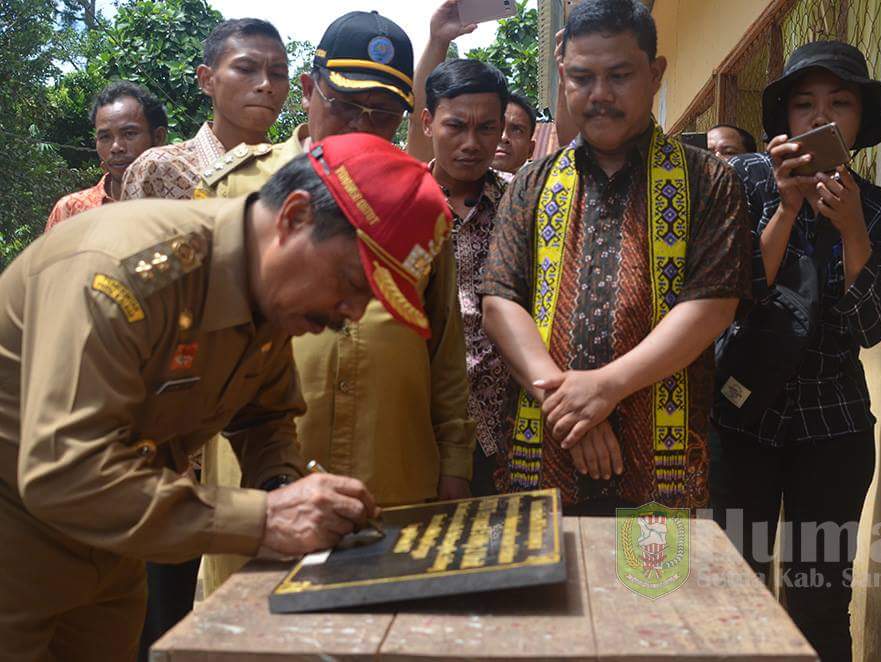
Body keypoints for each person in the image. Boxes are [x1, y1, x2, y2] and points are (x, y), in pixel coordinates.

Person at [0, 133, 450, 661]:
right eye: (352, 282)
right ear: (295, 217)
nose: (351, 313)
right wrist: (263, 519)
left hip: (116, 545)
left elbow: (265, 416)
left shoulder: (270, 298)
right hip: (19, 539)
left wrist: (283, 486)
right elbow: (63, 472)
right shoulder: (122, 274)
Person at [195, 10, 473, 596]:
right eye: (346, 104)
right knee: (247, 626)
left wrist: (454, 461)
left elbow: (445, 345)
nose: (362, 125)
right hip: (259, 488)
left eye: (383, 113)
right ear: (308, 90)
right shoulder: (235, 189)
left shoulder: (420, 206)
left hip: (392, 472)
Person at [480, 0, 751, 514]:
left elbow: (713, 305)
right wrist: (567, 406)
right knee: (548, 571)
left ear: (655, 73)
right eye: (582, 77)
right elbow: (500, 302)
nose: (599, 94)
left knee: (652, 569)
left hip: (660, 462)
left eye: (619, 75)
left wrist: (606, 387)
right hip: (546, 451)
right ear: (563, 75)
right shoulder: (532, 184)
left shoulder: (708, 180)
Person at [710, 41, 881, 662]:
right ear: (786, 120)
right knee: (735, 589)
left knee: (819, 598)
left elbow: (871, 326)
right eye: (804, 105)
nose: (820, 117)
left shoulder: (879, 209)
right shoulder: (745, 183)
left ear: (860, 121)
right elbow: (731, 301)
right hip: (742, 419)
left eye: (839, 104)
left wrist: (852, 228)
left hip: (834, 427)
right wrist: (788, 207)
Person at [419, 58, 511, 495]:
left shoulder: (522, 201)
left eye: (486, 128)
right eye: (455, 126)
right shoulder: (399, 203)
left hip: (508, 428)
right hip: (420, 421)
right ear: (427, 123)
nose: (471, 144)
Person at [121, 18, 290, 201]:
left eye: (278, 74)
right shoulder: (160, 170)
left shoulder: (296, 172)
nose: (266, 84)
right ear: (207, 80)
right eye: (245, 69)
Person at [45, 82, 166, 230]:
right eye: (105, 137)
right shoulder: (70, 212)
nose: (116, 147)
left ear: (158, 137)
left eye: (129, 134)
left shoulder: (181, 205)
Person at [493, 92, 538, 180]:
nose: (503, 137)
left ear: (530, 149)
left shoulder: (546, 185)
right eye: (493, 127)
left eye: (517, 130)